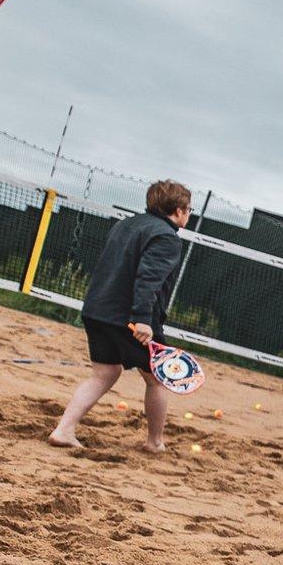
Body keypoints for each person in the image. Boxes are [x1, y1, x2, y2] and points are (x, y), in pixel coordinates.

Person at [48, 179, 191, 451]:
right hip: (128, 317)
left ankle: (64, 430)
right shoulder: (166, 237)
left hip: (96, 309)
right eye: (189, 208)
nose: (189, 214)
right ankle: (155, 442)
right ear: (178, 209)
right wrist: (142, 320)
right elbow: (148, 279)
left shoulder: (125, 224)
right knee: (158, 378)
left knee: (104, 373)